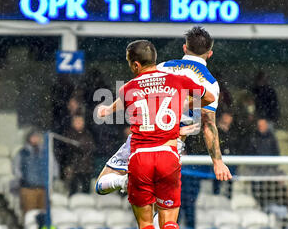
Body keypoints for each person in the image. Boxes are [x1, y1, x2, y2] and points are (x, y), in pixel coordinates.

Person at [98, 39, 215, 229]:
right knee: (169, 220)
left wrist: (106, 109)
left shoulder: (129, 87)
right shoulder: (174, 79)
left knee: (145, 223)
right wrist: (182, 105)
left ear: (135, 64)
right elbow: (209, 97)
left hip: (140, 158)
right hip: (168, 155)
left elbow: (127, 101)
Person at [96, 27, 232, 213]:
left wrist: (109, 109)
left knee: (102, 182)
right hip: (169, 145)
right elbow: (208, 125)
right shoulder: (209, 83)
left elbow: (135, 91)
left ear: (185, 48)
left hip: (141, 139)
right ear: (210, 53)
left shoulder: (163, 66)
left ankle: (125, 182)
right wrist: (217, 161)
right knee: (164, 209)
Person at [63, 114, 96, 196]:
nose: (79, 123)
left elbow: (91, 148)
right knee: (72, 191)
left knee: (86, 192)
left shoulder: (88, 134)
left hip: (86, 168)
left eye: (80, 121)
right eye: (77, 121)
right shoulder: (68, 134)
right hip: (73, 168)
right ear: (72, 123)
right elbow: (67, 151)